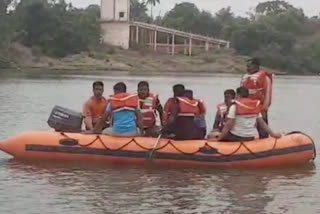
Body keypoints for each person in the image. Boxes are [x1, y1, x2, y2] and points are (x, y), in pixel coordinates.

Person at [209, 87, 281, 142]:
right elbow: (262, 123)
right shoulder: (254, 106)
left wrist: (219, 138)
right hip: (250, 136)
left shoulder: (234, 107)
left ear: (238, 95)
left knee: (212, 135)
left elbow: (228, 125)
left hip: (236, 136)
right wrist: (273, 134)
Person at [241, 58, 273, 139]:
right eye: (247, 66)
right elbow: (240, 92)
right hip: (246, 107)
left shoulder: (264, 77)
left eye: (249, 66)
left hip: (259, 107)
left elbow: (267, 93)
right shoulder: (244, 77)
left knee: (262, 128)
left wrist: (264, 108)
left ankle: (264, 140)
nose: (247, 68)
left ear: (256, 66)